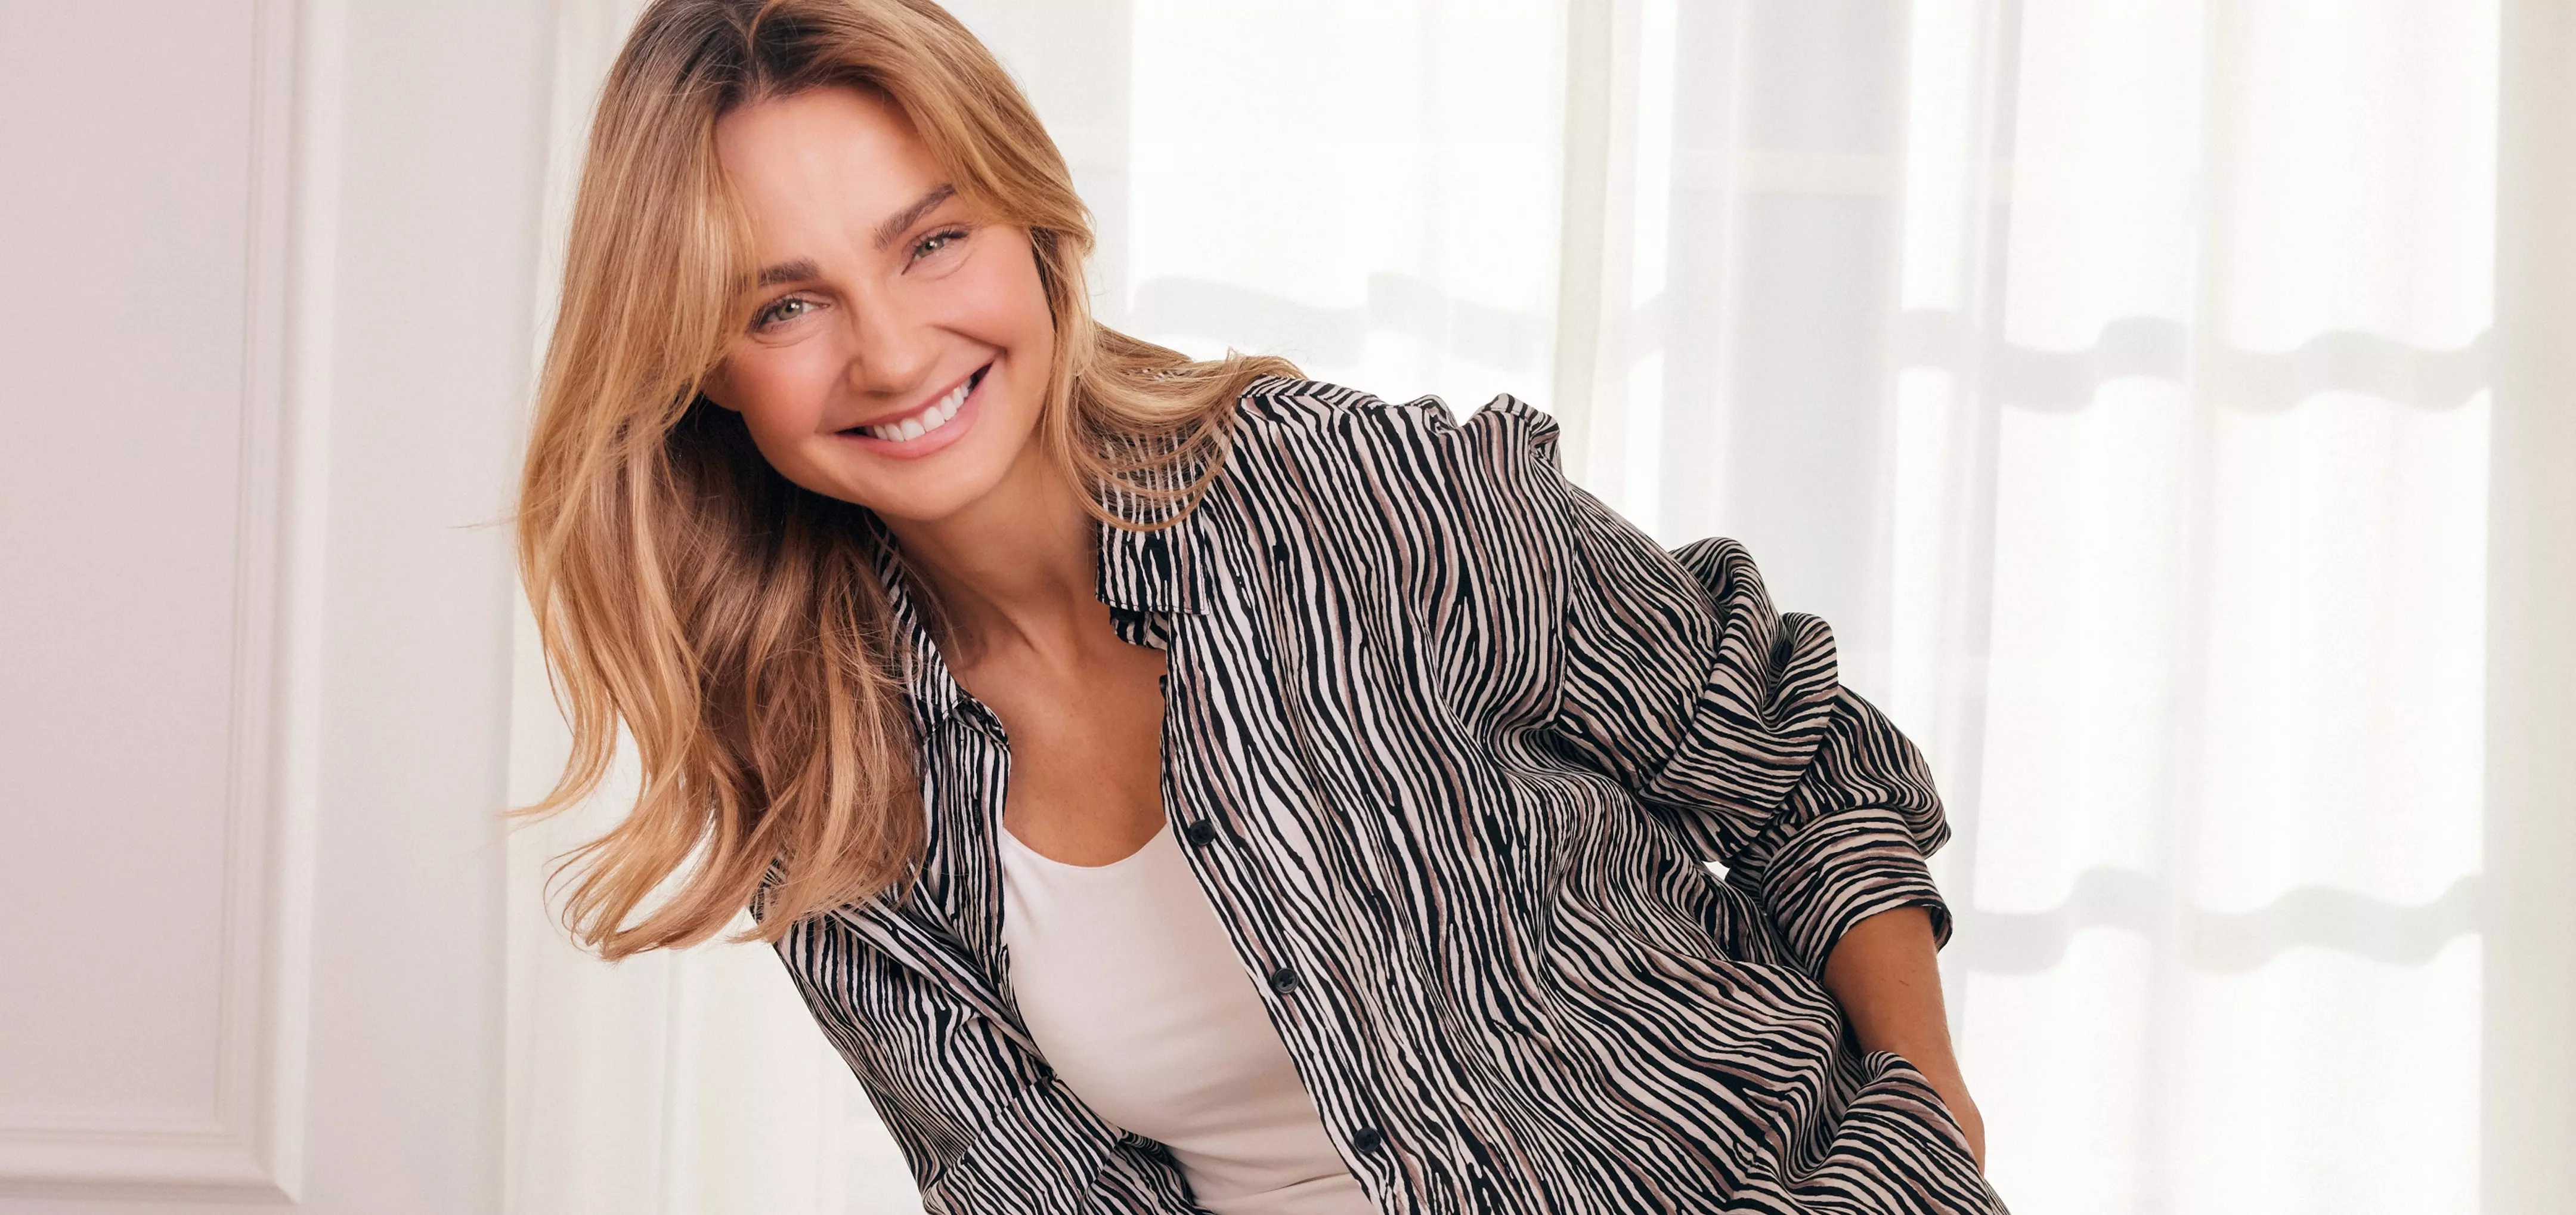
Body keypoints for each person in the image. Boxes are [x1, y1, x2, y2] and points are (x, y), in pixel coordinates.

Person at [515, 1, 2005, 1211]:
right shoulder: (830, 784)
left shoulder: (1357, 501)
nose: (895, 351)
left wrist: (1933, 1117)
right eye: (785, 305)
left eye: (933, 239)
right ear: (699, 367)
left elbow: (1795, 760)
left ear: (1031, 223)